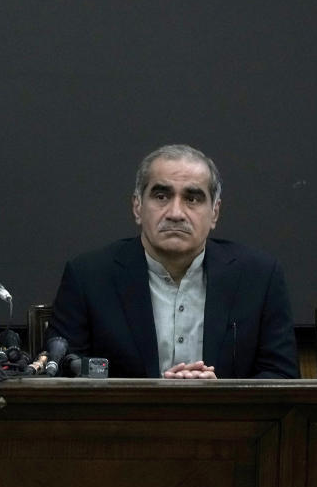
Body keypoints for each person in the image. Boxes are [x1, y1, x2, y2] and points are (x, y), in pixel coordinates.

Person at [46, 144, 298, 379]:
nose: (176, 213)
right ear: (137, 207)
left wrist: (222, 396)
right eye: (161, 196)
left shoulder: (259, 277)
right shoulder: (88, 276)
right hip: (123, 424)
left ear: (215, 213)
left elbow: (282, 377)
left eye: (193, 199)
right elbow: (64, 374)